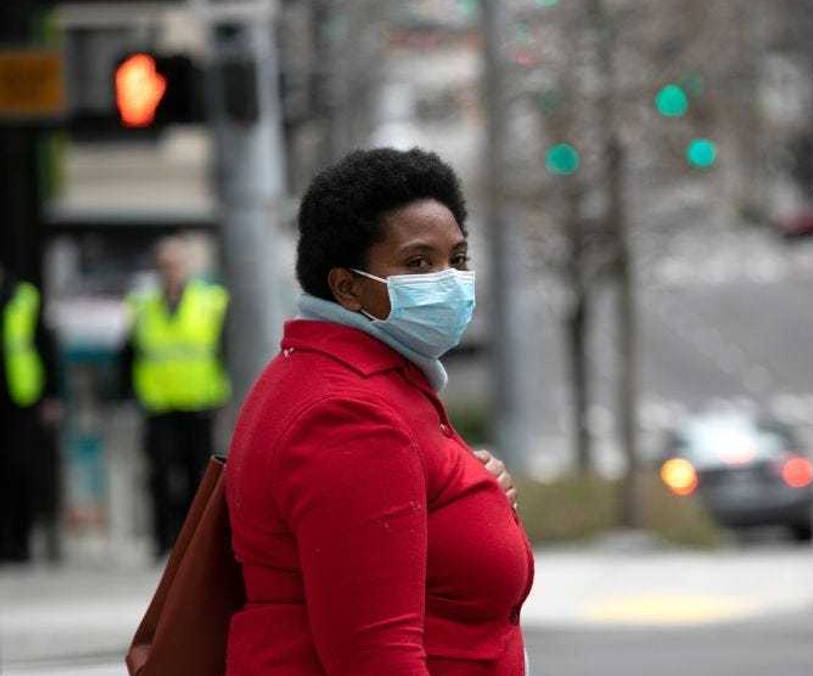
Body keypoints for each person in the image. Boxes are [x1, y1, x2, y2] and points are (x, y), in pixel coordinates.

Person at [225, 148, 532, 675]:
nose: (449, 281)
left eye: (457, 259)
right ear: (347, 287)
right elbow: (376, 658)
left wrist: (473, 493)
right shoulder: (347, 416)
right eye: (418, 263)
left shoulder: (362, 377)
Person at [120, 237, 230, 556]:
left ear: (187, 267)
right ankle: (163, 540)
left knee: (199, 474)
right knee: (160, 474)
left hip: (200, 400)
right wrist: (127, 394)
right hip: (158, 402)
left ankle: (196, 542)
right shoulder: (142, 305)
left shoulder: (211, 301)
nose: (170, 271)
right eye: (164, 265)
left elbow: (225, 350)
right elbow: (129, 352)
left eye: (176, 265)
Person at [0, 262, 62, 563]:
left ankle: (19, 543)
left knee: (21, 470)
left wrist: (51, 395)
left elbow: (45, 347)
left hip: (22, 400)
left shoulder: (26, 298)